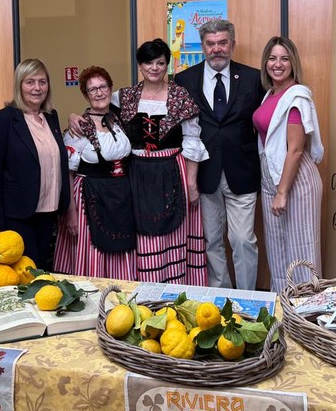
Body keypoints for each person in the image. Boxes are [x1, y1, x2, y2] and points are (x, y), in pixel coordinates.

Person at [174, 19, 265, 290]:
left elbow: (269, 117)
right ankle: (220, 296)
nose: (217, 49)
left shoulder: (253, 78)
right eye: (211, 44)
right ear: (202, 47)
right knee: (211, 241)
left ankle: (248, 299)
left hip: (243, 172)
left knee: (242, 240)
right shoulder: (184, 80)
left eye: (223, 43)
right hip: (204, 173)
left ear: (232, 44)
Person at [117, 39, 208, 283]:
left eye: (160, 63)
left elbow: (192, 139)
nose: (154, 68)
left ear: (167, 65)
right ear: (140, 65)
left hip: (172, 170)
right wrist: (74, 117)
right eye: (149, 63)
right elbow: (98, 110)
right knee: (143, 231)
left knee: (175, 229)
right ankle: (148, 286)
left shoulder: (180, 96)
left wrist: (192, 184)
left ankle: (176, 287)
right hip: (137, 174)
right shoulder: (125, 96)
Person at [0, 58, 69, 272]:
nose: (37, 88)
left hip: (49, 213)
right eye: (30, 82)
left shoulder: (51, 117)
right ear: (19, 85)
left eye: (42, 82)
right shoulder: (4, 120)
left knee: (41, 272)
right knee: (24, 276)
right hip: (18, 216)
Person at [52, 66, 137, 280]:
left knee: (120, 244)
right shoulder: (79, 128)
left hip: (120, 196)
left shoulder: (118, 119)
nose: (99, 93)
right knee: (93, 248)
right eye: (92, 89)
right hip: (89, 197)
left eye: (103, 87)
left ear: (110, 89)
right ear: (85, 95)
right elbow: (68, 173)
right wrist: (71, 213)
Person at [253, 36, 324, 291]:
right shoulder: (271, 94)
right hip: (271, 176)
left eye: (284, 59)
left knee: (301, 251)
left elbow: (295, 149)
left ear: (293, 63)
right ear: (265, 62)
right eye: (272, 58)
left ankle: (306, 310)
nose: (278, 64)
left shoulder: (297, 96)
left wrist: (282, 192)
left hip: (295, 179)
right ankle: (283, 307)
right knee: (277, 249)